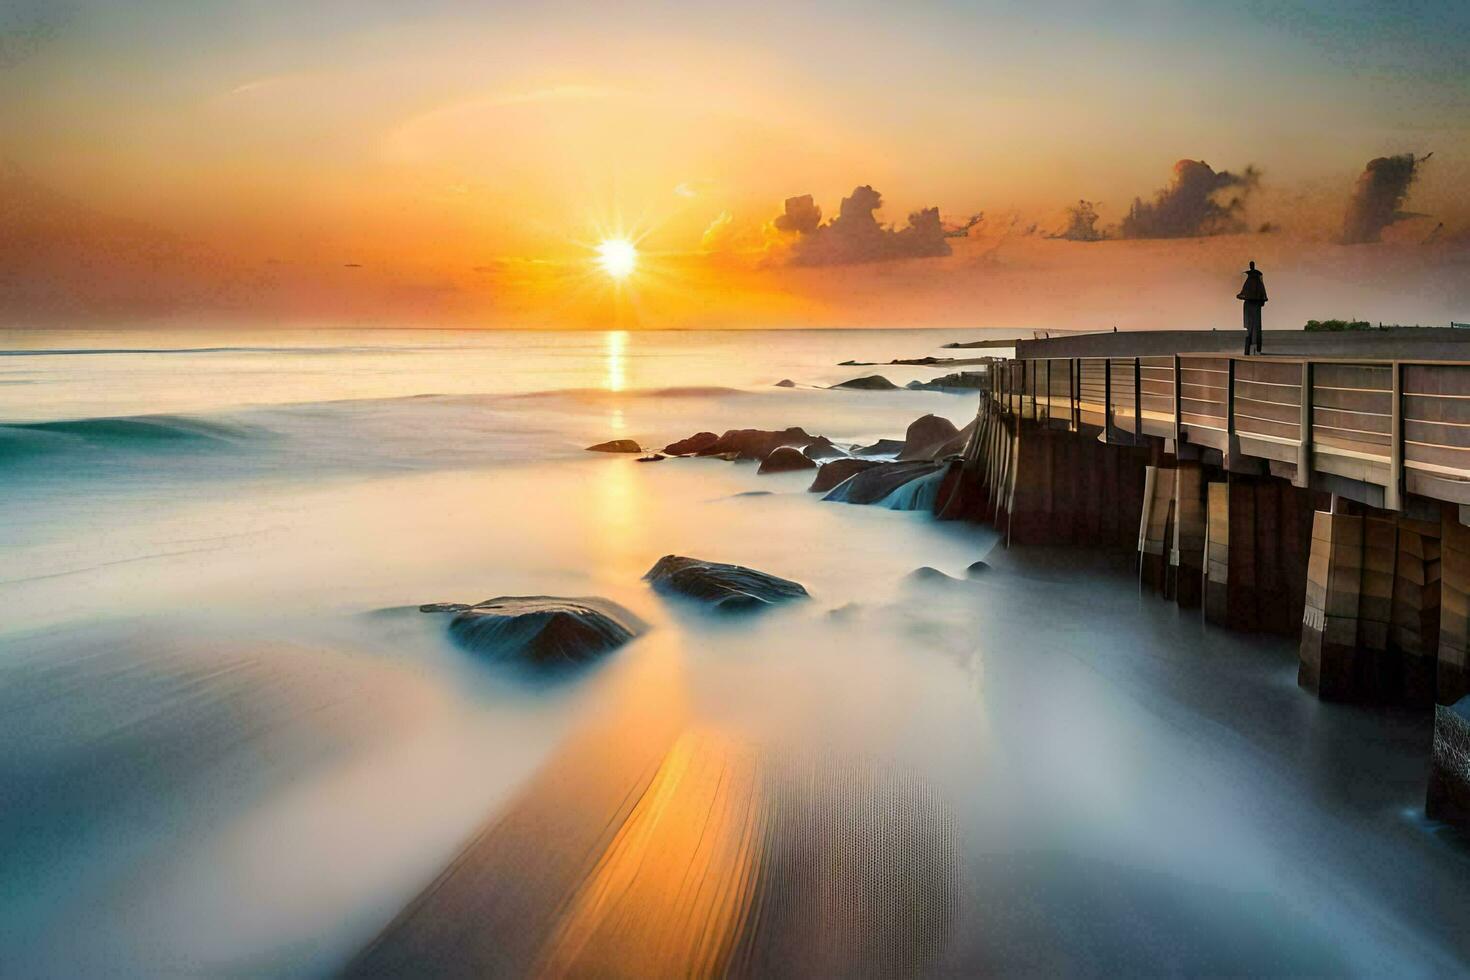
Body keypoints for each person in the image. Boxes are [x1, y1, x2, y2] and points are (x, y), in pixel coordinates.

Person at [1237, 260, 1267, 355]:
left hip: (1251, 304)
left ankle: (1252, 342)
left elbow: (1243, 293)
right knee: (1254, 325)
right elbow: (1262, 295)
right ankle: (1253, 343)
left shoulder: (1250, 281)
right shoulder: (1257, 281)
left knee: (1251, 325)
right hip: (1254, 304)